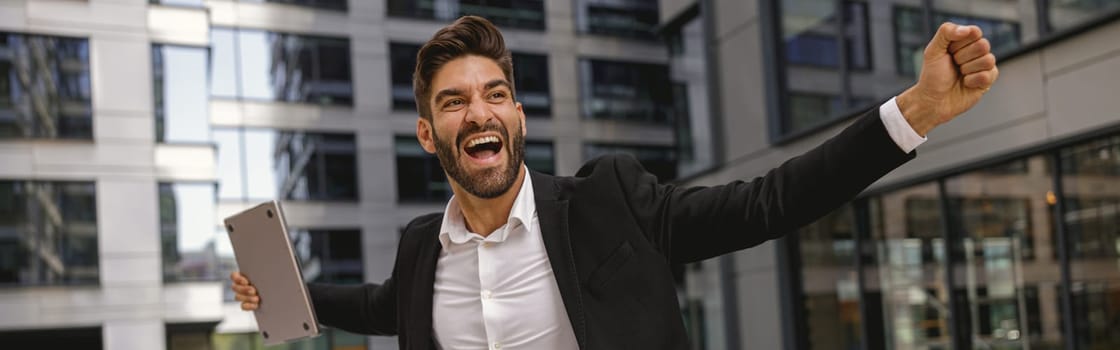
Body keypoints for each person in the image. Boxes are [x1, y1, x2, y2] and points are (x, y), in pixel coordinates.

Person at [231, 15, 998, 350]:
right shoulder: (421, 250)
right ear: (429, 134)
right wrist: (283, 294)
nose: (479, 112)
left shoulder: (609, 201)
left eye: (495, 93)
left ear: (519, 117)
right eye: (454, 102)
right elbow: (382, 307)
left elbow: (769, 202)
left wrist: (916, 111)